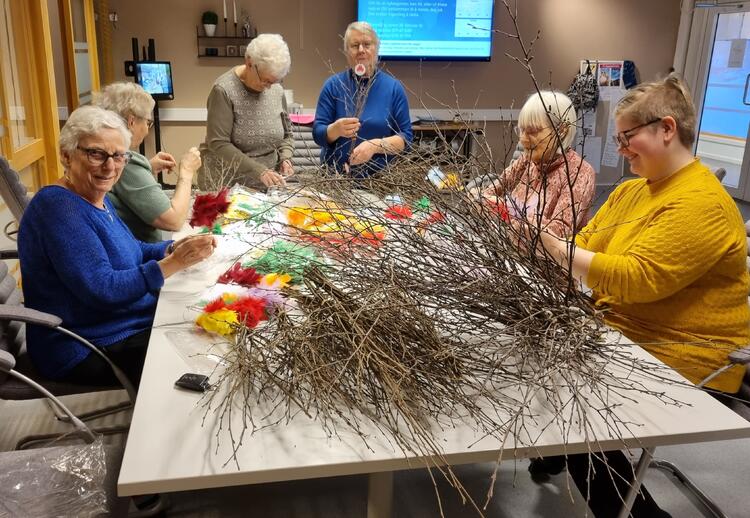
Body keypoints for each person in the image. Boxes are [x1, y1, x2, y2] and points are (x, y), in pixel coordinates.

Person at [535, 75, 750, 517]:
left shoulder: (701, 203)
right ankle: (558, 448)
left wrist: (559, 251)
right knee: (539, 365)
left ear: (666, 129)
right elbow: (589, 241)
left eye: (627, 138)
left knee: (574, 404)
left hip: (683, 352)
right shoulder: (633, 189)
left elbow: (637, 278)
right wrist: (564, 255)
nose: (620, 150)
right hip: (622, 330)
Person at [18, 106, 216, 388]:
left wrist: (170, 249)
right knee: (194, 355)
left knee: (197, 323)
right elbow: (104, 289)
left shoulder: (94, 194)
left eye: (119, 155)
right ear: (66, 155)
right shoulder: (59, 208)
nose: (110, 166)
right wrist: (173, 264)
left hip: (113, 324)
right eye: (96, 153)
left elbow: (130, 250)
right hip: (82, 344)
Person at [94, 82, 201, 242]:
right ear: (131, 121)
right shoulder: (122, 159)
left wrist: (147, 167)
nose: (147, 129)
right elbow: (174, 220)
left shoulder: (103, 152)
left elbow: (120, 186)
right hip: (141, 253)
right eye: (147, 122)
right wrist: (186, 171)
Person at [477, 90, 595, 236]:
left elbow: (559, 231)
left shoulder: (579, 172)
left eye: (532, 131)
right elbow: (487, 194)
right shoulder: (527, 160)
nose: (523, 139)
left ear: (562, 130)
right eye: (521, 130)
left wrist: (506, 210)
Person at [313, 21, 413, 177]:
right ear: (347, 52)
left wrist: (375, 146)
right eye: (355, 45)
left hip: (380, 181)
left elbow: (406, 139)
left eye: (367, 44)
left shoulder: (393, 88)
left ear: (376, 49)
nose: (361, 50)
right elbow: (318, 134)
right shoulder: (333, 86)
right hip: (336, 180)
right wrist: (335, 129)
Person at [199, 33, 293, 191]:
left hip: (265, 188)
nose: (269, 87)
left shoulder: (276, 90)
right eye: (265, 80)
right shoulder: (223, 90)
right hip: (226, 186)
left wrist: (286, 157)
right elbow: (218, 143)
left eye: (274, 81)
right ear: (249, 62)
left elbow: (287, 134)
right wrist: (258, 170)